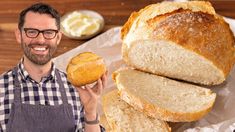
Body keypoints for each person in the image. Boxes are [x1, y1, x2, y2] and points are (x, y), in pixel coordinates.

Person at [0, 3, 107, 132]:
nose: (40, 40)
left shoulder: (76, 89)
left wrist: (90, 111)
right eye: (32, 32)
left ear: (58, 37)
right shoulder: (1, 88)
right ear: (19, 35)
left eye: (49, 32)